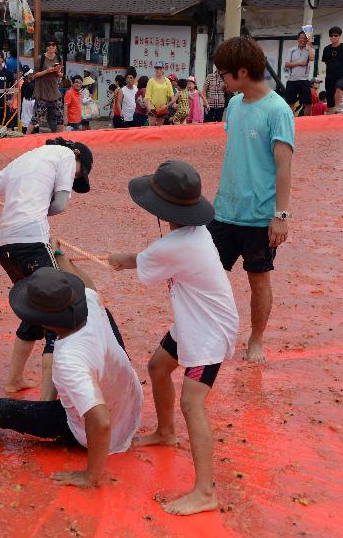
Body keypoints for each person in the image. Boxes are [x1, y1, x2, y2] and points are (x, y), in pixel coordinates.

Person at [0, 263, 143, 489]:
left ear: (43, 321)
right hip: (130, 401)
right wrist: (60, 255)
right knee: (104, 314)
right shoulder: (88, 299)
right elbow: (88, 284)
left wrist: (91, 476)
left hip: (100, 433)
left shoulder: (69, 358)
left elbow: (102, 422)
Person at [108, 160, 238, 515]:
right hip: (193, 321)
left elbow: (150, 263)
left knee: (192, 404)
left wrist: (125, 260)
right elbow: (150, 259)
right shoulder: (193, 234)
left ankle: (206, 491)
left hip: (209, 332)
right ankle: (166, 432)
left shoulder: (176, 245)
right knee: (158, 366)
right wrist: (130, 260)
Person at [0, 137, 94, 398]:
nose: (76, 178)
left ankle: (14, 380)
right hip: (31, 241)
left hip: (4, 247)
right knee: (59, 312)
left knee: (33, 311)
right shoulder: (64, 154)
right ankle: (47, 398)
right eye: (80, 173)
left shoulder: (23, 159)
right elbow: (61, 205)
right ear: (76, 154)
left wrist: (20, 200)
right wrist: (37, 211)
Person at [207, 36, 294, 363]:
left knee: (258, 281)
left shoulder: (277, 110)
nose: (221, 81)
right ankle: (213, 336)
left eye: (224, 74)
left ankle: (256, 340)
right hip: (224, 211)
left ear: (242, 72)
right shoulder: (233, 106)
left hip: (259, 218)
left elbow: (284, 165)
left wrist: (281, 216)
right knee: (207, 275)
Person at [28, 41, 64, 134]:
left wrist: (57, 71)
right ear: (46, 47)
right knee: (35, 118)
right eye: (49, 45)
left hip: (55, 92)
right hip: (42, 92)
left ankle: (60, 138)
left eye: (53, 45)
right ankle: (26, 138)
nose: (51, 46)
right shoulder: (41, 58)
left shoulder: (59, 58)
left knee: (60, 117)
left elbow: (61, 75)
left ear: (56, 47)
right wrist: (47, 71)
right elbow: (34, 75)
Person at [321, 26, 343, 113]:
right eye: (331, 35)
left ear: (339, 36)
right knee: (330, 99)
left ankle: (337, 107)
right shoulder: (326, 49)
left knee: (339, 87)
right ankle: (331, 112)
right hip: (330, 75)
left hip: (341, 74)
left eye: (336, 35)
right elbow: (326, 62)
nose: (333, 37)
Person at [283, 31, 315, 116]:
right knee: (290, 103)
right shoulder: (292, 50)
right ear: (298, 39)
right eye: (301, 38)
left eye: (304, 38)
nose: (302, 40)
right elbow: (287, 64)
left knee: (308, 103)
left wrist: (309, 45)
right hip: (291, 79)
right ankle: (291, 120)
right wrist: (299, 63)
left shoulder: (310, 50)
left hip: (304, 80)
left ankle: (306, 122)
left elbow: (312, 58)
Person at [146, 62, 173, 126]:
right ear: (155, 69)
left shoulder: (167, 80)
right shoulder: (151, 81)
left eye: (160, 68)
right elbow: (147, 96)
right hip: (152, 107)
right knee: (151, 127)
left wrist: (173, 104)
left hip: (162, 108)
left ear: (163, 69)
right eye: (157, 68)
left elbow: (171, 95)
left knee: (159, 127)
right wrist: (149, 108)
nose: (159, 70)